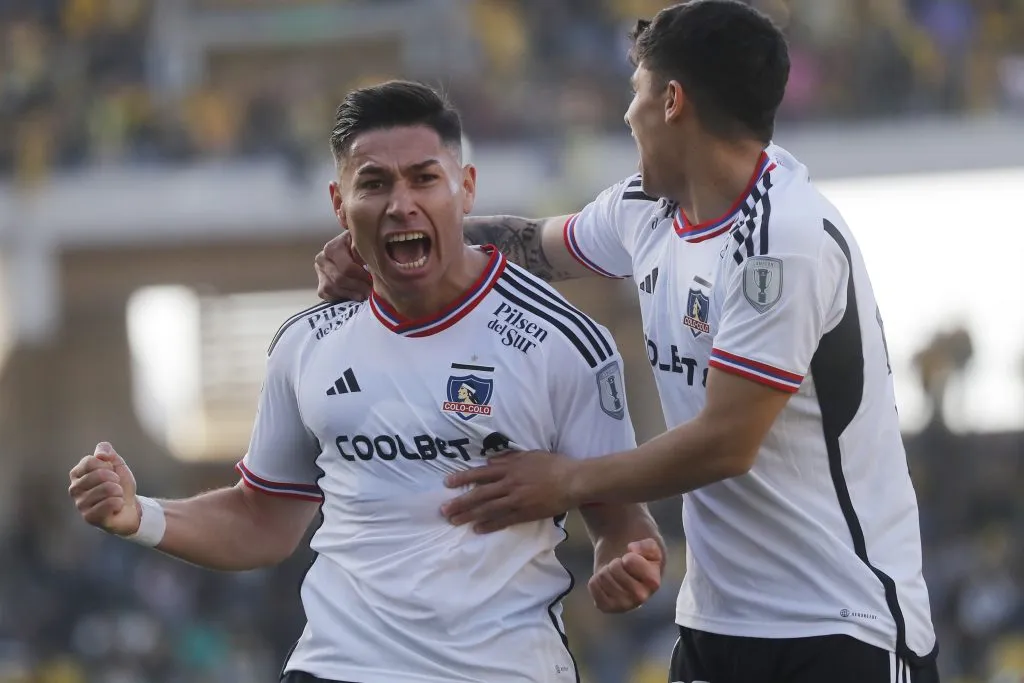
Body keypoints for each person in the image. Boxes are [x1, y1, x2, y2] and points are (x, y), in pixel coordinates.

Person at [313, 3, 939, 683]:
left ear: (672, 101)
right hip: (717, 624)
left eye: (635, 91)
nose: (626, 113)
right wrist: (385, 246)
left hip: (841, 625)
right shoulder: (647, 209)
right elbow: (530, 245)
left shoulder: (782, 240)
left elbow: (727, 442)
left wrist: (567, 479)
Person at [67, 81, 666, 683]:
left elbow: (622, 522)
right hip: (336, 667)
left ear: (467, 190)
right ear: (339, 201)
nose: (400, 203)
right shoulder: (306, 344)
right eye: (374, 183)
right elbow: (262, 520)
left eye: (424, 178)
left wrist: (628, 565)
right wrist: (138, 514)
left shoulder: (561, 342)